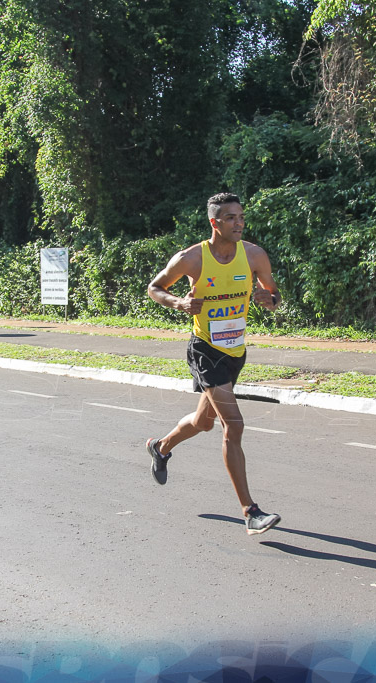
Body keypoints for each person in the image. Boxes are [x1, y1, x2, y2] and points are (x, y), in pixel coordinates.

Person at [145, 192, 283, 535]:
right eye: (231, 218)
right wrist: (179, 303)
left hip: (236, 351)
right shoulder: (192, 258)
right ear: (214, 223)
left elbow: (273, 295)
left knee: (203, 422)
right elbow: (155, 288)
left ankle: (160, 447)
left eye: (241, 217)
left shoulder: (254, 254)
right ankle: (250, 512)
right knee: (233, 425)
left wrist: (269, 300)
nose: (239, 223)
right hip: (205, 349)